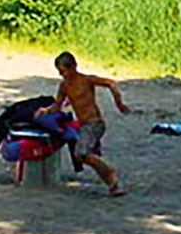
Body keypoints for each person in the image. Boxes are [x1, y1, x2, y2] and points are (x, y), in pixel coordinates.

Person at [35, 52, 130, 196]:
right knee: (86, 156)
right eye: (60, 72)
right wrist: (45, 110)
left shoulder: (86, 80)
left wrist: (119, 103)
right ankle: (112, 185)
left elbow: (111, 83)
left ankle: (111, 174)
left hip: (95, 123)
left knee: (81, 154)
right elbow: (57, 105)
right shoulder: (64, 86)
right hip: (84, 125)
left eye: (64, 71)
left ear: (74, 67)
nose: (63, 75)